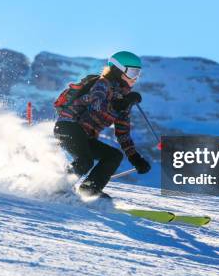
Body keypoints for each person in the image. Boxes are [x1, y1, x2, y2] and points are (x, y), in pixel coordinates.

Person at [53, 51, 151, 198]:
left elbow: (123, 132)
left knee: (114, 156)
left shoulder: (125, 99)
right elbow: (96, 105)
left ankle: (89, 190)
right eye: (132, 72)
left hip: (85, 135)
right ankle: (57, 188)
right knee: (85, 161)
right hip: (68, 126)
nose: (135, 78)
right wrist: (121, 103)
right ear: (118, 70)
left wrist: (135, 158)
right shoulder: (102, 84)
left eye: (138, 73)